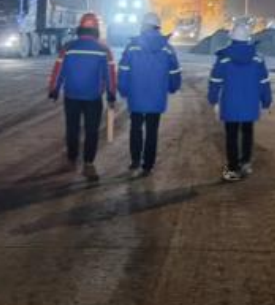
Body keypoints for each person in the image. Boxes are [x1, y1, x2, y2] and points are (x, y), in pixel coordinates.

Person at [48, 12, 117, 181]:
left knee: (72, 128)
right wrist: (111, 93)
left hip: (71, 95)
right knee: (91, 131)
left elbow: (58, 70)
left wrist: (54, 89)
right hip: (93, 97)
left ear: (79, 28)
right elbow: (110, 74)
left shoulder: (68, 47)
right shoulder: (103, 50)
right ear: (96, 29)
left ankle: (72, 159)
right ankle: (88, 164)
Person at [118, 12, 182, 177]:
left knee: (136, 128)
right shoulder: (167, 48)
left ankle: (135, 161)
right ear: (158, 27)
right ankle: (148, 165)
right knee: (152, 131)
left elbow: (124, 69)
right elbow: (174, 71)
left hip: (136, 95)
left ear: (143, 26)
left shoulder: (132, 46)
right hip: (156, 96)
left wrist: (123, 89)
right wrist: (173, 86)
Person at [207, 21, 272, 182]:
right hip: (250, 104)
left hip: (230, 104)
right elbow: (264, 82)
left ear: (232, 37)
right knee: (247, 133)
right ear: (248, 38)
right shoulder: (257, 58)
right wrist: (266, 101)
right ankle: (245, 162)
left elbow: (215, 80)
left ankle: (233, 168)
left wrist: (213, 98)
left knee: (232, 135)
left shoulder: (224, 58)